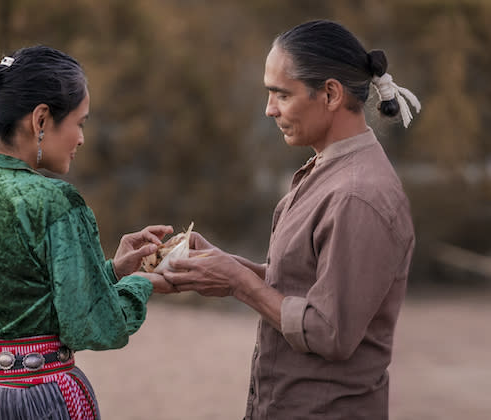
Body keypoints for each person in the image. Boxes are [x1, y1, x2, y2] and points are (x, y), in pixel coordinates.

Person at [163, 20, 419, 419]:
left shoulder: (357, 195)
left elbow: (330, 332)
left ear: (331, 94)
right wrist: (225, 268)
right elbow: (306, 283)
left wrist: (240, 284)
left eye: (282, 94)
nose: (269, 109)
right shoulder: (325, 171)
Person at [0, 46, 173, 419]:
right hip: (40, 399)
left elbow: (28, 299)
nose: (82, 138)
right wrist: (144, 283)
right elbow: (93, 326)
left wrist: (113, 270)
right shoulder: (54, 201)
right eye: (80, 122)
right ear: (41, 120)